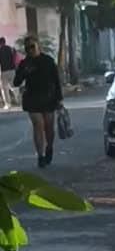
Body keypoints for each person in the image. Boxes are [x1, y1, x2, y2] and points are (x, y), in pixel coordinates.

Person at [14, 35, 63, 168]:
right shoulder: (24, 63)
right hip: (32, 99)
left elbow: (56, 81)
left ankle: (49, 148)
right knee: (38, 125)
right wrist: (24, 72)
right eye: (27, 47)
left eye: (32, 46)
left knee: (49, 127)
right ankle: (40, 156)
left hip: (48, 98)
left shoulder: (48, 61)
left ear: (38, 46)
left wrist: (59, 99)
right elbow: (16, 82)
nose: (30, 50)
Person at [0, 37, 18, 109]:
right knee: (13, 85)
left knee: (4, 88)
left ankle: (8, 104)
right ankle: (17, 99)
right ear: (5, 42)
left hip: (4, 71)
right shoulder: (11, 49)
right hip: (12, 70)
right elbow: (15, 58)